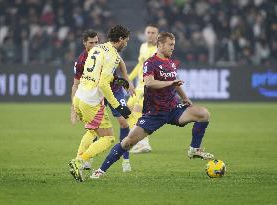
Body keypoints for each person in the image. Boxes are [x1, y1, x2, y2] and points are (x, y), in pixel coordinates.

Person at [91, 32, 215, 179]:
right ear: (160, 44)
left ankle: (194, 149)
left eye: (173, 45)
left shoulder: (170, 63)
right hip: (154, 113)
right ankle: (101, 170)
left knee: (203, 114)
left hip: (174, 109)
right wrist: (170, 83)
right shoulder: (150, 62)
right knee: (128, 142)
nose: (172, 48)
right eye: (170, 45)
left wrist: (185, 98)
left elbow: (175, 82)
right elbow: (149, 82)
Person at [68, 25, 132, 182]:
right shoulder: (113, 55)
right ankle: (79, 161)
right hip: (91, 102)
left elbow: (96, 74)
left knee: (92, 131)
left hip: (80, 97)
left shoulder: (98, 48)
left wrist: (116, 79)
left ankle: (77, 162)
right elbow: (103, 84)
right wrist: (117, 105)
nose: (126, 44)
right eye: (126, 41)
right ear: (121, 39)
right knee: (108, 138)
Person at [127, 24, 159, 153]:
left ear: (157, 35)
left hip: (149, 86)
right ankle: (138, 140)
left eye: (153, 33)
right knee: (127, 110)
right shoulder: (143, 47)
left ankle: (143, 143)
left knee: (137, 112)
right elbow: (140, 65)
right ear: (145, 33)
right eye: (148, 32)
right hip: (139, 86)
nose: (150, 34)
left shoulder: (159, 50)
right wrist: (128, 79)